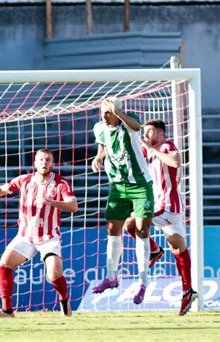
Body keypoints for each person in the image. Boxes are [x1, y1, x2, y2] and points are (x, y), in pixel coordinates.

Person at [0, 149, 78, 317]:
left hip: (48, 237)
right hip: (25, 236)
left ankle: (64, 299)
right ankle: (7, 310)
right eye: (40, 160)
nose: (44, 163)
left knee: (53, 274)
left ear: (53, 164)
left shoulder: (61, 183)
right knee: (4, 264)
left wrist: (50, 201)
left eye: (48, 160)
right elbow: (0, 190)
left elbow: (73, 206)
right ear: (35, 163)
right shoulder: (24, 180)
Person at [123, 119, 198, 315]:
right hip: (168, 209)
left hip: (167, 206)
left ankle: (155, 251)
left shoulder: (167, 146)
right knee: (178, 248)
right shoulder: (146, 152)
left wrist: (154, 150)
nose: (146, 135)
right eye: (145, 132)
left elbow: (174, 161)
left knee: (130, 222)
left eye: (150, 132)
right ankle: (187, 291)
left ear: (161, 133)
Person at [91, 97, 154, 305]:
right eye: (102, 112)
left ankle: (143, 281)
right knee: (112, 229)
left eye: (108, 112)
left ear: (116, 112)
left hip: (140, 185)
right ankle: (111, 277)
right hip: (117, 186)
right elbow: (102, 147)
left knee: (142, 230)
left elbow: (136, 127)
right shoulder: (99, 127)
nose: (104, 115)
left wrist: (117, 113)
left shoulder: (130, 120)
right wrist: (98, 157)